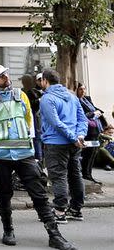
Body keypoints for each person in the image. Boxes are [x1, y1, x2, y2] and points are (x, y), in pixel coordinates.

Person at [0, 63, 76, 250]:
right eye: (0, 76)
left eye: (6, 73)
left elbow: (28, 118)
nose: (5, 77)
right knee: (4, 194)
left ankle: (54, 235)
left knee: (39, 194)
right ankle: (8, 230)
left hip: (24, 154)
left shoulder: (21, 95)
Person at [39, 69, 87, 223]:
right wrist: (80, 135)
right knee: (75, 175)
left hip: (56, 143)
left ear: (45, 81)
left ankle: (59, 211)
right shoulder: (72, 97)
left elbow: (56, 123)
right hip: (74, 143)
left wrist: (74, 137)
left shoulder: (47, 98)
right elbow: (82, 119)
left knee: (58, 176)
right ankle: (76, 209)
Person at [77, 83, 106, 183]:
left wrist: (98, 112)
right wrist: (93, 113)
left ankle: (89, 174)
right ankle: (86, 174)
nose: (83, 91)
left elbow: (94, 108)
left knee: (93, 152)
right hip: (88, 131)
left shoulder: (87, 99)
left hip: (95, 129)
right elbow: (82, 115)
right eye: (80, 89)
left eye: (84, 89)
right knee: (88, 153)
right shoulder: (77, 101)